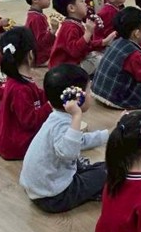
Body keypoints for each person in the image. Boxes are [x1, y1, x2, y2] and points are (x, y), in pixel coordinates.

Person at [19, 64, 109, 213]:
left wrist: (105, 136)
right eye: (89, 90)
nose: (91, 95)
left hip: (41, 189)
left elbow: (77, 141)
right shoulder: (65, 123)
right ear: (78, 98)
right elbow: (70, 153)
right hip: (54, 197)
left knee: (95, 167)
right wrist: (77, 115)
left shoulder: (56, 117)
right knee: (108, 170)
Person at [0, 27, 53, 160]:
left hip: (8, 138)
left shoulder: (17, 79)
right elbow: (30, 122)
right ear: (31, 55)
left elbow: (36, 95)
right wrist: (49, 106)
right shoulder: (20, 89)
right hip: (15, 146)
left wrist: (51, 94)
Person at [91, 7, 141, 109]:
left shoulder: (117, 41)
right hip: (116, 99)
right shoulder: (134, 53)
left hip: (98, 90)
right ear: (136, 33)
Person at [48, 0, 117, 74]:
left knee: (102, 55)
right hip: (63, 70)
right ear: (71, 8)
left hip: (72, 63)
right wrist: (88, 33)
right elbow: (75, 52)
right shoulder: (70, 27)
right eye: (82, 1)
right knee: (101, 60)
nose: (86, 4)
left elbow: (86, 45)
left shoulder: (75, 23)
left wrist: (103, 42)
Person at [22, 0, 57, 67]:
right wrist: (53, 31)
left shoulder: (34, 15)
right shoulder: (36, 18)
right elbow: (41, 42)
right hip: (41, 57)